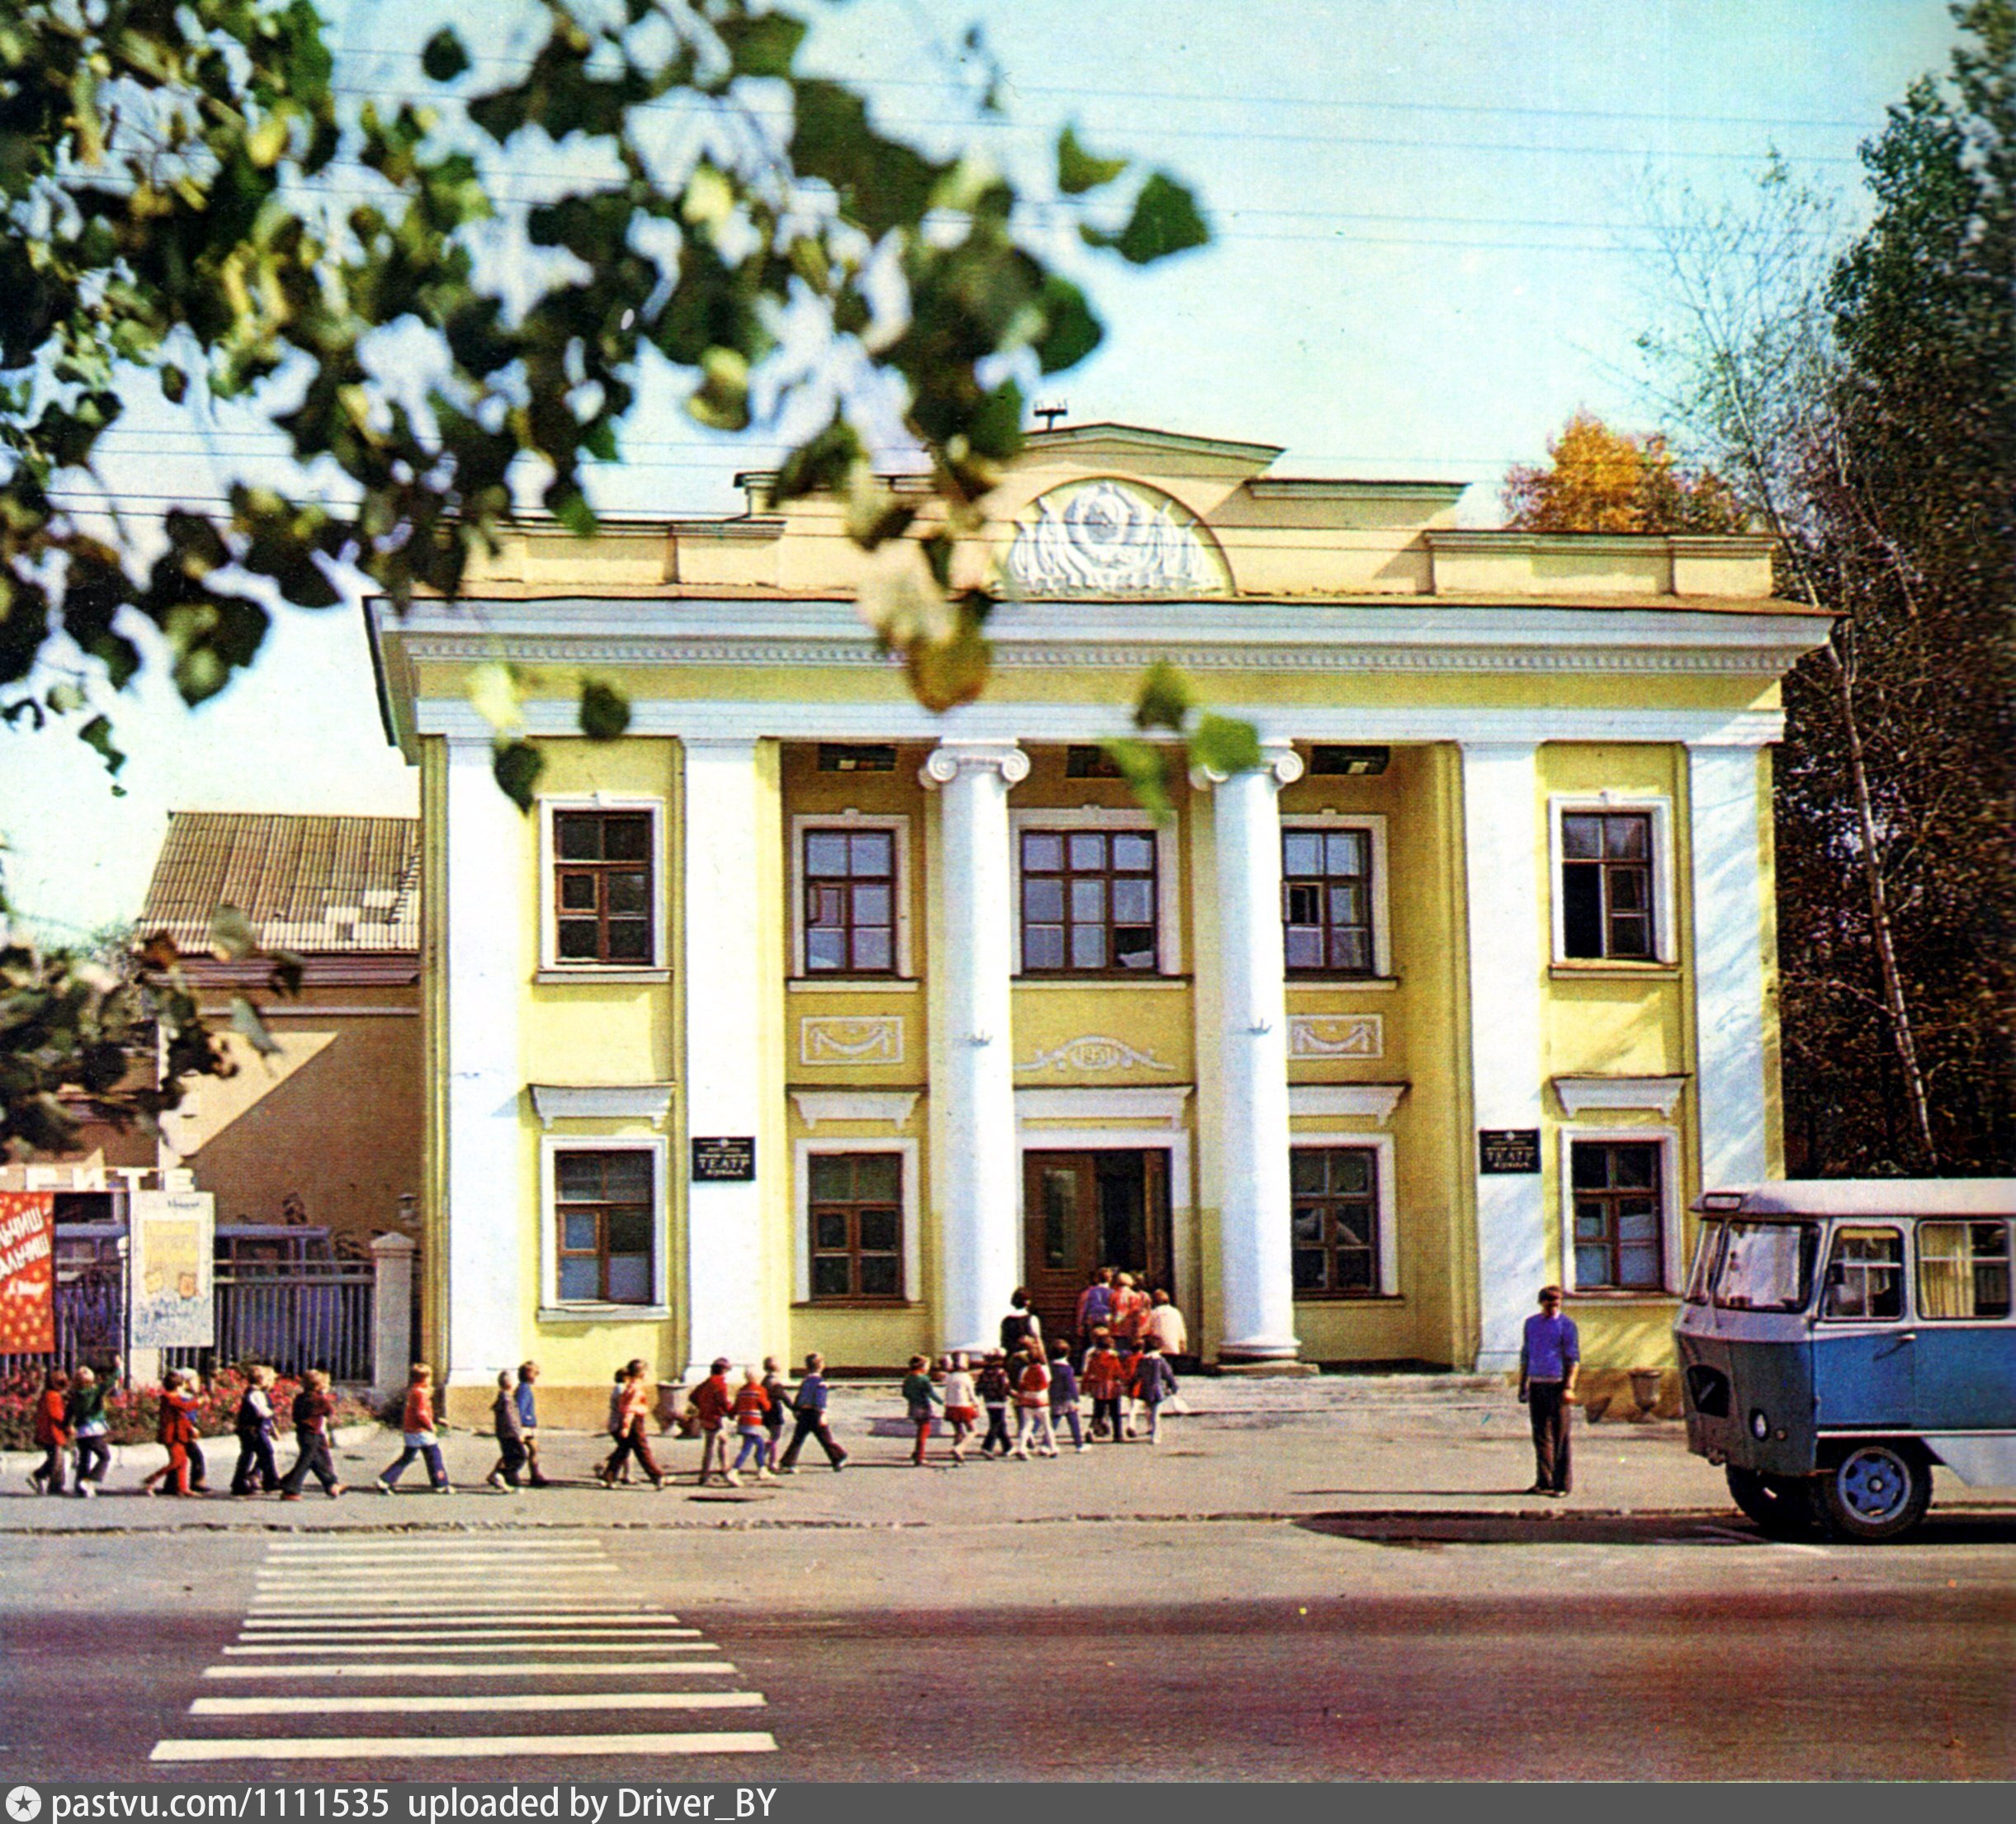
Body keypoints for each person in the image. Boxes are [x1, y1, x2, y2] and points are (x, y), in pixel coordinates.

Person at [1518, 1285, 1580, 1497]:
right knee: (1541, 1435)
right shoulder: (1531, 1324)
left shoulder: (1567, 1325)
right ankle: (1544, 1481)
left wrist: (1569, 1387)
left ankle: (1562, 1485)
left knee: (1560, 1436)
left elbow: (1573, 1359)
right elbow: (1526, 1355)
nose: (1553, 1308)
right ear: (1541, 1303)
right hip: (1536, 1383)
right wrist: (1522, 1384)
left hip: (1557, 1385)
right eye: (1549, 1304)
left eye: (1556, 1304)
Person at [376, 1363, 451, 1494]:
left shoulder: (414, 1391)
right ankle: (441, 1484)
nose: (430, 1380)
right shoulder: (420, 1393)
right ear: (424, 1379)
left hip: (411, 1430)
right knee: (434, 1456)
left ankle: (385, 1480)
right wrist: (430, 1426)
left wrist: (437, 1420)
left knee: (408, 1457)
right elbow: (421, 1414)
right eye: (429, 1377)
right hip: (421, 1431)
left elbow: (422, 1412)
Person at [598, 1359, 668, 1489]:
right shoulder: (636, 1389)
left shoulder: (629, 1387)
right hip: (634, 1421)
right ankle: (657, 1476)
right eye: (647, 1372)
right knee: (642, 1449)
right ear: (642, 1373)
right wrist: (626, 1426)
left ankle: (609, 1477)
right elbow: (629, 1410)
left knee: (623, 1449)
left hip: (630, 1420)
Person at [777, 1352, 848, 1472]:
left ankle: (787, 1463)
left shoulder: (805, 1382)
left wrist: (797, 1409)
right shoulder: (821, 1382)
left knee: (798, 1439)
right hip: (816, 1413)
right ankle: (839, 1457)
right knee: (825, 1439)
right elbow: (820, 1399)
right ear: (821, 1366)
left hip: (804, 1414)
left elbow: (800, 1397)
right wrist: (822, 1413)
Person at [278, 1368, 344, 1499]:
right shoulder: (319, 1400)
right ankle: (291, 1488)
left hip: (302, 1433)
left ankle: (331, 1484)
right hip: (313, 1434)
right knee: (306, 1461)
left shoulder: (300, 1398)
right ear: (320, 1386)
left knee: (318, 1460)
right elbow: (330, 1413)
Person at [230, 1365, 281, 1496]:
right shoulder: (256, 1394)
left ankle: (240, 1481)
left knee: (248, 1455)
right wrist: (272, 1414)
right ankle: (270, 1480)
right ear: (261, 1379)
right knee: (266, 1452)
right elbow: (262, 1411)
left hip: (250, 1429)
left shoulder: (254, 1393)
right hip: (254, 1429)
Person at [726, 1366, 774, 1485]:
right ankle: (734, 1471)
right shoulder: (759, 1390)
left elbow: (736, 1407)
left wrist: (731, 1414)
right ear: (759, 1377)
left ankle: (762, 1469)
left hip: (743, 1421)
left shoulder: (742, 1390)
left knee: (760, 1445)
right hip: (754, 1422)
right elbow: (766, 1407)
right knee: (747, 1448)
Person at [68, 1365, 110, 1496]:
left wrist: (67, 1425)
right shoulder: (93, 1392)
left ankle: (79, 1487)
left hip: (80, 1432)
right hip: (93, 1430)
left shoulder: (75, 1396)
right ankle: (89, 1481)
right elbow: (107, 1384)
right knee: (105, 1456)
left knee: (84, 1459)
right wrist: (118, 1369)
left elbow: (68, 1413)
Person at [691, 1357, 734, 1485]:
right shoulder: (720, 1383)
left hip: (705, 1416)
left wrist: (703, 1406)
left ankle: (725, 1469)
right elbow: (723, 1401)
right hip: (715, 1418)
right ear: (724, 1370)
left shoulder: (707, 1382)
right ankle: (706, 1475)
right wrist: (731, 1412)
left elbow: (693, 1396)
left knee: (722, 1440)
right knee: (711, 1447)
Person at [1011, 1344, 1058, 1458]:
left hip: (1027, 1400)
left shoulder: (1025, 1370)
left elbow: (1021, 1383)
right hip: (1042, 1400)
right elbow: (1048, 1382)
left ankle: (1021, 1448)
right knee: (1047, 1426)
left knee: (1026, 1425)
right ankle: (1053, 1447)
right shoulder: (1044, 1369)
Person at [29, 1368, 70, 1495]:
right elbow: (57, 1415)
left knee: (55, 1459)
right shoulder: (53, 1396)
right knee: (57, 1460)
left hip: (48, 1433)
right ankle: (52, 1484)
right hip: (52, 1434)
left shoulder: (48, 1395)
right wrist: (68, 1426)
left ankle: (44, 1478)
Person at [1082, 1333, 1129, 1443]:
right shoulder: (1113, 1359)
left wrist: (1085, 1387)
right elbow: (1119, 1373)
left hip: (1098, 1387)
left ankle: (1090, 1431)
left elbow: (1088, 1373)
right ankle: (1117, 1435)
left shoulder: (1094, 1359)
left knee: (1098, 1412)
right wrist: (1126, 1381)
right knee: (1115, 1413)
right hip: (1112, 1387)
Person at [1131, 1335, 1178, 1444]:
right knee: (1155, 1414)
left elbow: (1137, 1375)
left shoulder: (1143, 1361)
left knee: (1150, 1412)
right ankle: (1156, 1435)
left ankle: (1153, 1432)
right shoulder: (1160, 1361)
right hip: (1157, 1390)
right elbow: (1168, 1375)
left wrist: (1132, 1385)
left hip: (1146, 1390)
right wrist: (1173, 1386)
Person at [488, 1370, 527, 1491]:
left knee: (510, 1457)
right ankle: (501, 1475)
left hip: (504, 1433)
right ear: (511, 1384)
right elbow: (511, 1418)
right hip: (510, 1433)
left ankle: (510, 1482)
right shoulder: (507, 1399)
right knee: (520, 1456)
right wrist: (518, 1433)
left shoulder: (504, 1397)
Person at [1046, 1339, 1088, 1452]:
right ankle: (1079, 1444)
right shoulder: (1067, 1368)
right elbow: (1071, 1384)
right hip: (1067, 1397)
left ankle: (1046, 1444)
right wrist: (1076, 1398)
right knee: (1073, 1421)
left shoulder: (1050, 1367)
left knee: (1054, 1420)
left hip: (1054, 1396)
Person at [900, 1354, 941, 1467]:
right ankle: (920, 1456)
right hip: (923, 1406)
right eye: (927, 1366)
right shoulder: (923, 1379)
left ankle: (916, 1452)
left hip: (913, 1405)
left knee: (920, 1429)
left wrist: (912, 1398)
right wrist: (941, 1402)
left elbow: (905, 1393)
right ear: (922, 1366)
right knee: (924, 1431)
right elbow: (930, 1393)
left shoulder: (908, 1378)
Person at [515, 1362, 550, 1487]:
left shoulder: (524, 1388)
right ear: (528, 1374)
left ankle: (535, 1475)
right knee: (515, 1452)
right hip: (524, 1426)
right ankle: (499, 1473)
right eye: (535, 1373)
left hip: (527, 1425)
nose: (537, 1375)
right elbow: (520, 1409)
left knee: (533, 1449)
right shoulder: (524, 1389)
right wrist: (521, 1425)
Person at [941, 1352, 979, 1464]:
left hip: (951, 1406)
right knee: (973, 1431)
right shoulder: (966, 1377)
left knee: (958, 1431)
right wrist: (976, 1404)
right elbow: (971, 1394)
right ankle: (960, 1448)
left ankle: (957, 1456)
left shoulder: (949, 1377)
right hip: (963, 1405)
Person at [975, 1350, 1013, 1457]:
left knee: (1000, 1424)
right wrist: (1014, 1395)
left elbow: (978, 1388)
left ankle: (1008, 1447)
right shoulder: (1001, 1373)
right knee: (996, 1425)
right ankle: (987, 1447)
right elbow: (1006, 1387)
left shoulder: (984, 1374)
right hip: (999, 1400)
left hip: (988, 1401)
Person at [759, 1356, 791, 1472]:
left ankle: (772, 1461)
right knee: (775, 1436)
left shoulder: (764, 1381)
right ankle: (765, 1457)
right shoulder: (775, 1381)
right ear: (778, 1368)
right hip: (774, 1411)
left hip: (765, 1411)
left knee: (773, 1436)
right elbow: (783, 1396)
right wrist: (794, 1408)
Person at [1146, 1288, 1189, 1367]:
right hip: (1174, 1349)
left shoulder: (1154, 1313)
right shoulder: (1176, 1312)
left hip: (1158, 1350)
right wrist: (1183, 1346)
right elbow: (1181, 1332)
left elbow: (1148, 1330)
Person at [1074, 1267, 1115, 1344]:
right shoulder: (1113, 1293)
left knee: (1093, 1342)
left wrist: (1079, 1325)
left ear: (1097, 1279)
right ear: (1110, 1279)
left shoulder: (1087, 1292)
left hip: (1092, 1319)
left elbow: (1082, 1309)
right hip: (1108, 1319)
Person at [999, 1288, 1041, 1358]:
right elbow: (1038, 1342)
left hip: (1011, 1358)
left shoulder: (1006, 1321)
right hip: (1027, 1358)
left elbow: (1004, 1344)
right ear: (1027, 1302)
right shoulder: (1031, 1319)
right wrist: (1044, 1361)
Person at [1109, 1271, 1149, 1343]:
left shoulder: (1114, 1295)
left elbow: (1116, 1312)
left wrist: (1115, 1323)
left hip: (1117, 1331)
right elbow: (1136, 1314)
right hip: (1131, 1330)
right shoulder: (1135, 1296)